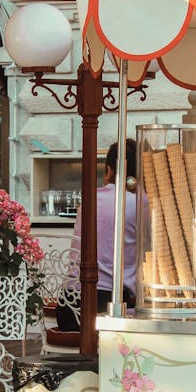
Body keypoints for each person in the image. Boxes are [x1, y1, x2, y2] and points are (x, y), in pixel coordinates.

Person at [56, 139, 141, 331]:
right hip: (109, 309)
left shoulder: (89, 199)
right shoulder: (141, 203)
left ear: (109, 169)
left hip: (69, 306)